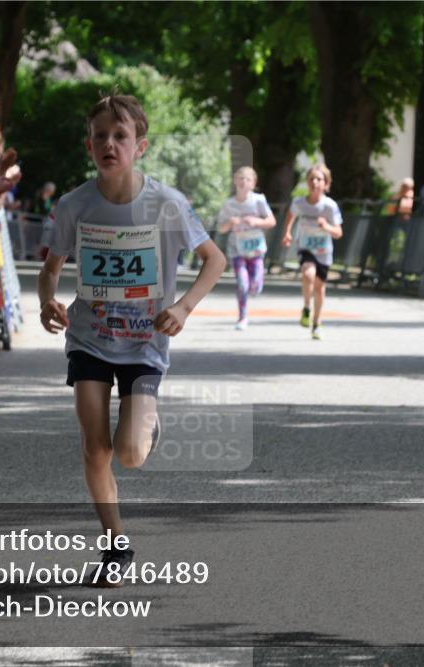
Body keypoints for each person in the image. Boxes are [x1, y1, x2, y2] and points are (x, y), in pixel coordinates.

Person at [37, 94, 225, 584]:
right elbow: (51, 268)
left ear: (140, 146)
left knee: (129, 454)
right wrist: (47, 301)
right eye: (100, 136)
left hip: (144, 342)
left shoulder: (167, 203)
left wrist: (182, 307)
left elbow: (215, 260)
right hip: (89, 339)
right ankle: (115, 546)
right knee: (95, 449)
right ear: (88, 145)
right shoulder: (73, 205)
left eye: (120, 136)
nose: (109, 144)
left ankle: (147, 423)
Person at [281, 164, 343, 340]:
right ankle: (307, 307)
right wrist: (287, 232)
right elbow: (291, 215)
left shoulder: (330, 206)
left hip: (324, 251)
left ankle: (316, 323)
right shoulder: (299, 202)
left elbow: (338, 233)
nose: (315, 182)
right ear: (307, 183)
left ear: (326, 184)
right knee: (308, 274)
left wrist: (327, 226)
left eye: (319, 179)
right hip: (306, 247)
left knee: (320, 289)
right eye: (311, 179)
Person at [216, 166, 275, 330]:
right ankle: (242, 317)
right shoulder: (229, 204)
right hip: (237, 250)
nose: (243, 182)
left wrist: (256, 222)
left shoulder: (258, 200)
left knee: (254, 286)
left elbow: (271, 221)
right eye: (240, 178)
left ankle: (257, 284)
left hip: (255, 249)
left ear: (253, 183)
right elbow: (221, 228)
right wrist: (230, 223)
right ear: (235, 181)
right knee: (242, 284)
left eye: (248, 179)